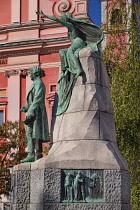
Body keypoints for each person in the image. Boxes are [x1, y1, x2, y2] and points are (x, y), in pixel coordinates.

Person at [37, 11, 103, 115]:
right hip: (75, 42)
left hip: (78, 42)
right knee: (62, 52)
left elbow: (57, 20)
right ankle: (65, 69)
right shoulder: (70, 27)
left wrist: (46, 16)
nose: (62, 20)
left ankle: (78, 69)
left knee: (71, 52)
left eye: (63, 18)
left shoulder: (70, 25)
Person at [20, 66, 50, 163]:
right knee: (30, 133)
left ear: (35, 73)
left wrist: (30, 110)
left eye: (31, 73)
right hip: (33, 111)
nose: (30, 75)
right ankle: (31, 154)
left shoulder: (39, 84)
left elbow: (38, 98)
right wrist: (26, 107)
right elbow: (32, 100)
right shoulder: (34, 84)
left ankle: (36, 155)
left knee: (35, 134)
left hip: (37, 112)